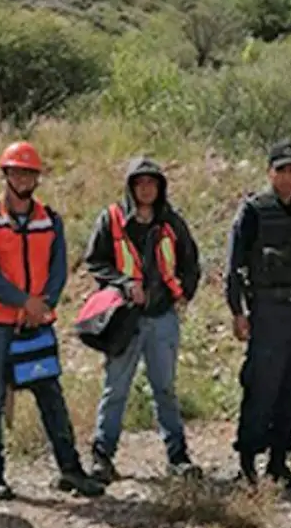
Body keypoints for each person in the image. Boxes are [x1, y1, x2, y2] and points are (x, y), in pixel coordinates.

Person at [0, 141, 106, 500]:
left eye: (29, 172)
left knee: (50, 395)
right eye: (17, 171)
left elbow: (58, 269)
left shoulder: (50, 219)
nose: (24, 178)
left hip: (37, 321)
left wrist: (41, 307)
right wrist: (22, 301)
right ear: (5, 174)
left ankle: (70, 470)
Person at [82, 157, 204, 483]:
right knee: (116, 388)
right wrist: (123, 285)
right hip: (124, 318)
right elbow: (94, 261)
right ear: (131, 186)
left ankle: (177, 457)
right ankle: (102, 457)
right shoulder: (111, 220)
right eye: (140, 182)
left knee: (164, 389)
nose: (146, 188)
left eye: (152, 182)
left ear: (160, 187)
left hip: (162, 318)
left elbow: (191, 262)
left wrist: (184, 293)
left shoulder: (172, 223)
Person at [224, 140, 291, 490]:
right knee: (261, 386)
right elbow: (234, 266)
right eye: (281, 169)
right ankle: (248, 462)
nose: (287, 176)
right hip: (266, 312)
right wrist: (238, 312)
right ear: (270, 172)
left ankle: (278, 462)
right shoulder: (253, 211)